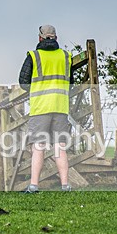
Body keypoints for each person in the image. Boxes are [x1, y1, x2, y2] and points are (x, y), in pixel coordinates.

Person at [18, 24, 73, 193]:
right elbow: (70, 83)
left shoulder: (34, 56)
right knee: (60, 147)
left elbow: (23, 82)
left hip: (41, 107)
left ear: (40, 38)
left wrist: (37, 89)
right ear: (56, 38)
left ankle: (34, 186)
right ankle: (65, 186)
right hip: (60, 106)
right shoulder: (65, 56)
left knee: (38, 147)